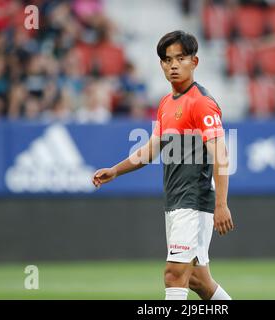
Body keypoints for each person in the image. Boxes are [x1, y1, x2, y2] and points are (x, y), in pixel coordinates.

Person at [92, 30, 234, 300]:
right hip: (177, 200)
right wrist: (116, 170)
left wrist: (221, 204)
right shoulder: (166, 104)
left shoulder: (202, 103)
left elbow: (221, 154)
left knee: (173, 274)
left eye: (180, 58)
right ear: (161, 65)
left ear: (195, 62)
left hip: (193, 200)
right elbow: (150, 149)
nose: (174, 65)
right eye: (167, 60)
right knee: (198, 280)